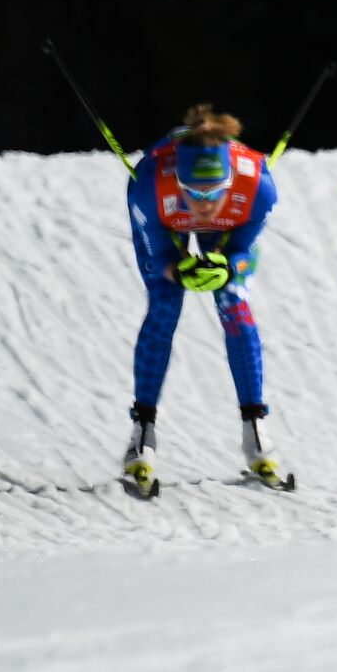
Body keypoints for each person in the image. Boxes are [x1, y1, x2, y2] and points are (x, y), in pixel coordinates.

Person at [122, 103, 287, 495]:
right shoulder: (149, 185)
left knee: (233, 305)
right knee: (165, 303)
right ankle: (142, 432)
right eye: (193, 192)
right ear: (178, 182)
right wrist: (177, 269)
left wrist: (229, 267)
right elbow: (158, 257)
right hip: (167, 222)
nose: (204, 203)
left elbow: (244, 250)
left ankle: (255, 430)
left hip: (230, 226)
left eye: (214, 192)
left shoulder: (258, 188)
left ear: (230, 182)